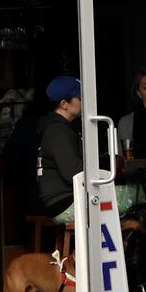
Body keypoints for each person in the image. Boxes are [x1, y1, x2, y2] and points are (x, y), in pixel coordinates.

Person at [35, 75, 84, 218]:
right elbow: (74, 174)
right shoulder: (57, 131)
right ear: (64, 104)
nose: (85, 102)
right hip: (64, 202)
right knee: (135, 195)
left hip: (64, 199)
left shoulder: (59, 127)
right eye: (80, 98)